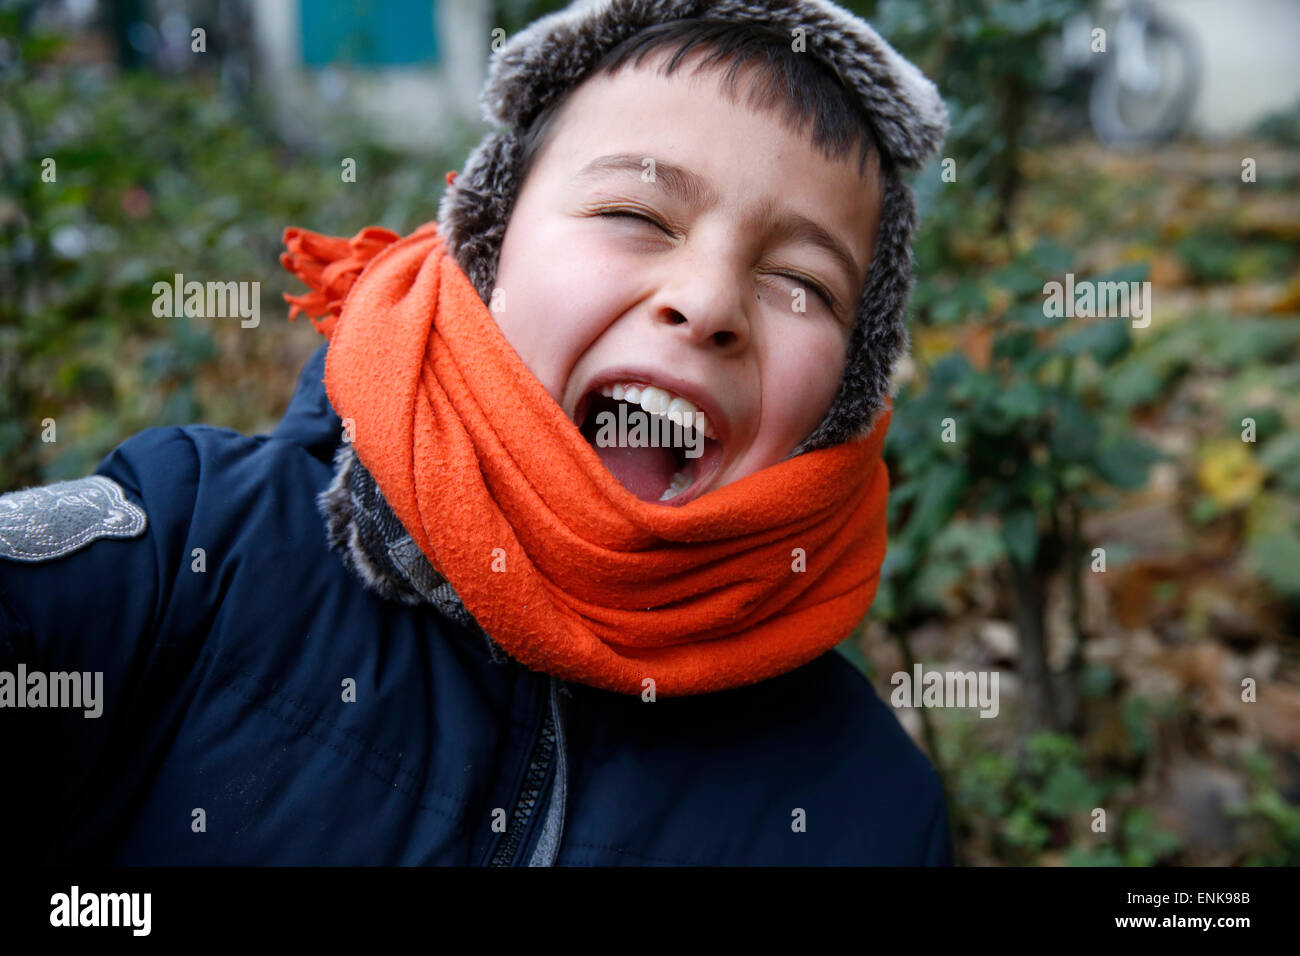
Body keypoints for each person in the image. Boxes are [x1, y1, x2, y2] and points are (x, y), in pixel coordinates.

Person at [0, 0, 953, 865]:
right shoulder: (188, 552)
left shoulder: (869, 812)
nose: (708, 304)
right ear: (486, 247)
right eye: (634, 213)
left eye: (802, 284)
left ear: (844, 398)